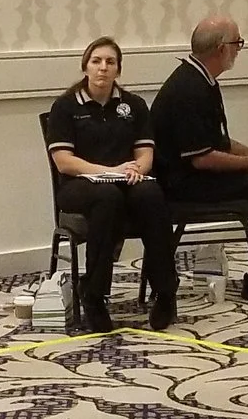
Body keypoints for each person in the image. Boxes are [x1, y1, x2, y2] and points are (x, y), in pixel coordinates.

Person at [151, 17, 248, 304]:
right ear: (221, 48)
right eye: (238, 43)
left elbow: (220, 142)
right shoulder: (188, 90)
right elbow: (202, 159)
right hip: (182, 185)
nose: (239, 49)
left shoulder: (202, 80)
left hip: (194, 176)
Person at [46, 38, 179, 332]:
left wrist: (136, 170)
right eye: (96, 61)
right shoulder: (66, 107)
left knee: (151, 193)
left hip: (125, 180)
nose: (103, 68)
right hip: (79, 185)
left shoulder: (134, 105)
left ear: (118, 69)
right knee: (107, 198)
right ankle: (94, 296)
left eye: (110, 62)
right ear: (85, 67)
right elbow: (64, 162)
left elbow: (145, 154)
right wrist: (108, 171)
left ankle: (165, 291)